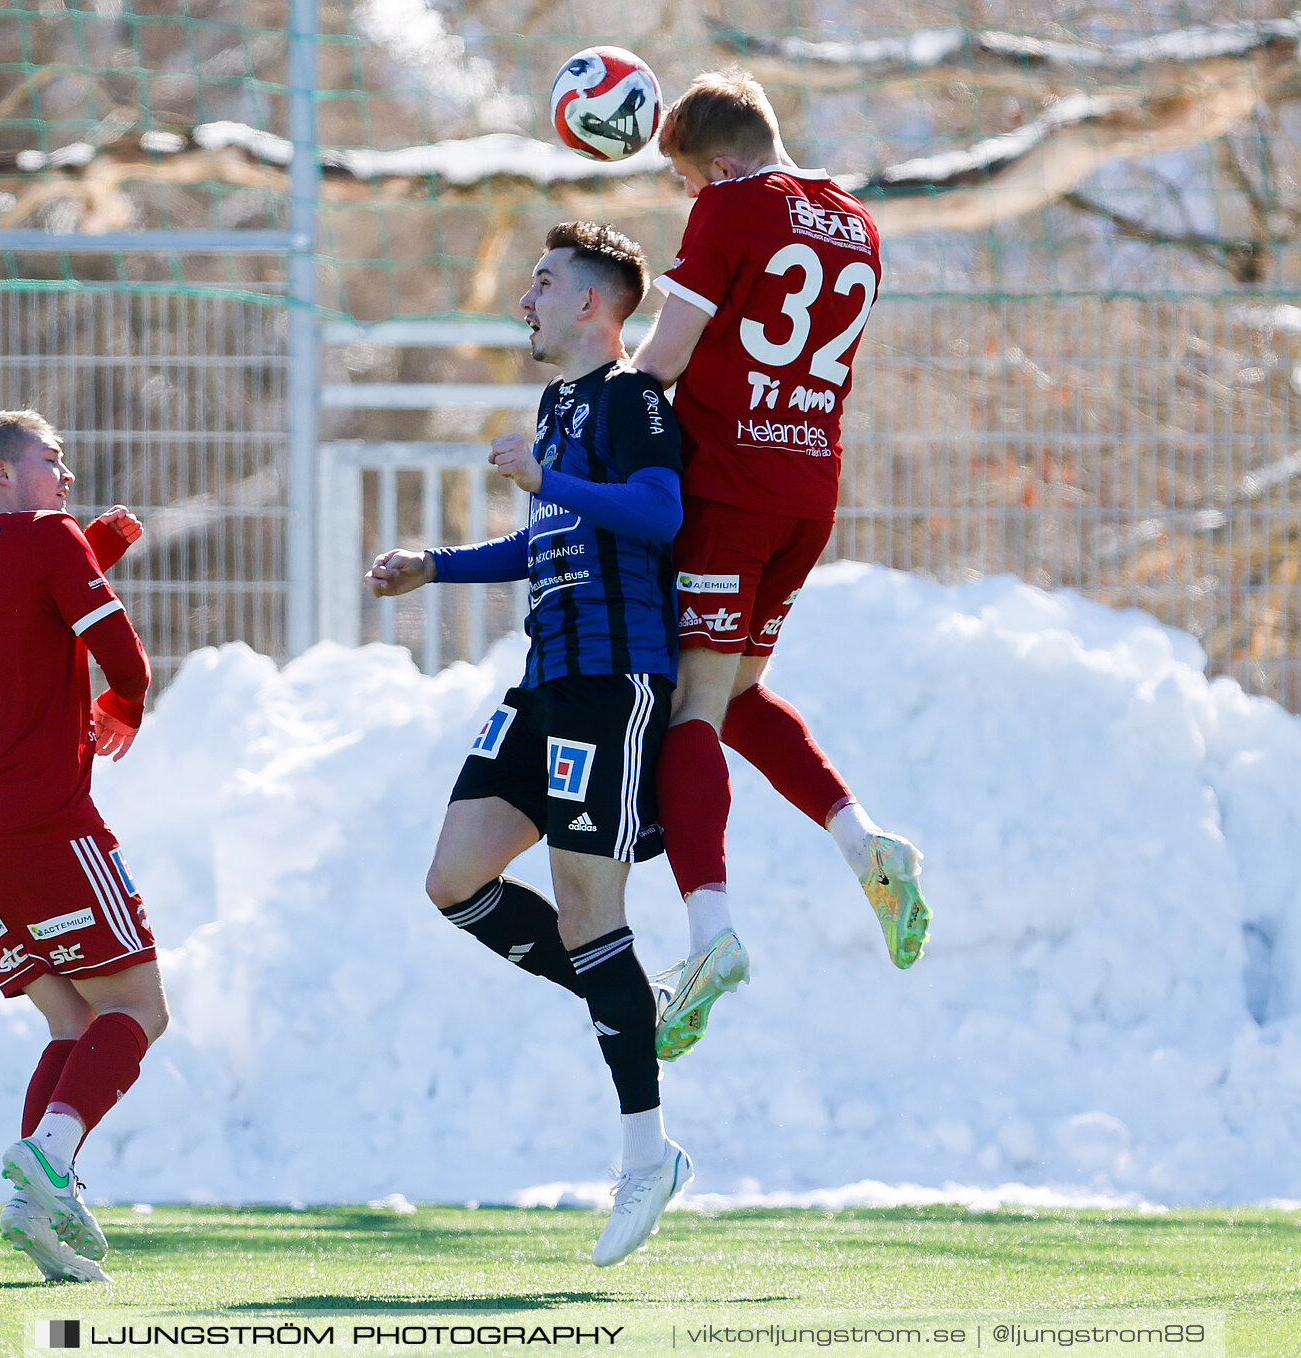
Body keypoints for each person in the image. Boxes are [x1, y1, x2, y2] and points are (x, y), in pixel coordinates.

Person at [367, 221, 690, 1267]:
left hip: (611, 679)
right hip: (543, 678)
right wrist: (437, 564)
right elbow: (544, 538)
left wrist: (547, 481)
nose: (526, 300)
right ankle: (630, 999)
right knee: (453, 878)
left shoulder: (634, 396)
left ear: (594, 305)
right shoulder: (555, 406)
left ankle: (647, 1151)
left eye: (543, 283)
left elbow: (656, 511)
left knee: (594, 907)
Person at [628, 67, 930, 1060]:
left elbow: (664, 359)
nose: (689, 202)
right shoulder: (856, 223)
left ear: (715, 163)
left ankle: (710, 935)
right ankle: (864, 841)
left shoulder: (732, 206)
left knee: (692, 712)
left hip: (729, 488)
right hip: (808, 488)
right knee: (742, 688)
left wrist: (598, 413)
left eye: (685, 183)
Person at [0, 409, 167, 1283]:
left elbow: (14, 599)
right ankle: (50, 1160)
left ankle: (32, 1201)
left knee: (71, 1015)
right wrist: (125, 704)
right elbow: (117, 651)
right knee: (139, 1008)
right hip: (43, 823)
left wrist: (90, 545)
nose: (65, 471)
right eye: (49, 459)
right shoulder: (50, 537)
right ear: (1, 475)